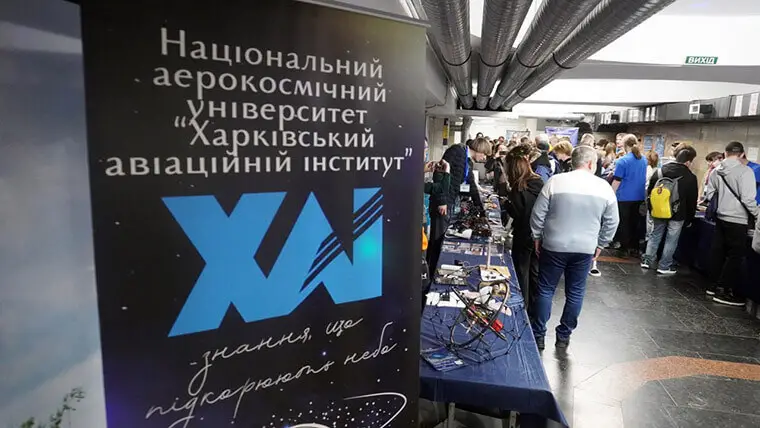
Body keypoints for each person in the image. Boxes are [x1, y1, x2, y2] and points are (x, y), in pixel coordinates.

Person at [530, 146, 619, 350]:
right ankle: (563, 336)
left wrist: (536, 237)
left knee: (545, 289)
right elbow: (612, 221)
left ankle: (538, 334)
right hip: (585, 248)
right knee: (576, 292)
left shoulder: (555, 182)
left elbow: (538, 214)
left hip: (553, 245)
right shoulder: (604, 187)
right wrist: (601, 243)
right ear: (590, 163)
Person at [703, 141, 759, 306]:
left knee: (718, 251)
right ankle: (723, 291)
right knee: (735, 255)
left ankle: (712, 286)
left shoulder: (716, 171)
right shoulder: (746, 171)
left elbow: (710, 195)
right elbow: (748, 200)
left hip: (720, 217)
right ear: (742, 154)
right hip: (738, 219)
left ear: (725, 153)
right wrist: (757, 214)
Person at [427, 138, 491, 275]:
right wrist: (442, 201)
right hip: (442, 203)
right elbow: (440, 173)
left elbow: (471, 185)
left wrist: (481, 210)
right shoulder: (456, 151)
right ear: (479, 149)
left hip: (449, 202)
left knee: (441, 239)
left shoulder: (467, 161)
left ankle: (434, 270)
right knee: (437, 241)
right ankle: (430, 274)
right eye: (484, 154)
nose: (484, 158)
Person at [641, 146, 698, 274]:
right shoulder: (690, 177)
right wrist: (690, 218)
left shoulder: (660, 171)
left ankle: (647, 261)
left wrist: (651, 207)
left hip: (659, 210)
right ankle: (664, 266)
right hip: (678, 213)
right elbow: (692, 201)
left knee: (655, 235)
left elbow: (650, 191)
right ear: (688, 162)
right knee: (671, 240)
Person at [502, 145, 544, 307]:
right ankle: (533, 307)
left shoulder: (518, 188)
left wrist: (507, 204)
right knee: (534, 272)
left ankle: (521, 306)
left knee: (521, 271)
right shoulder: (539, 182)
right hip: (539, 234)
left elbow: (517, 213)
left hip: (524, 234)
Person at [611, 134, 647, 257]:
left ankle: (624, 249)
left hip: (624, 197)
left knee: (624, 223)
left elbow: (617, 180)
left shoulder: (622, 161)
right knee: (635, 223)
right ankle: (635, 248)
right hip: (639, 196)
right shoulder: (643, 160)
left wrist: (611, 194)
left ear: (625, 145)